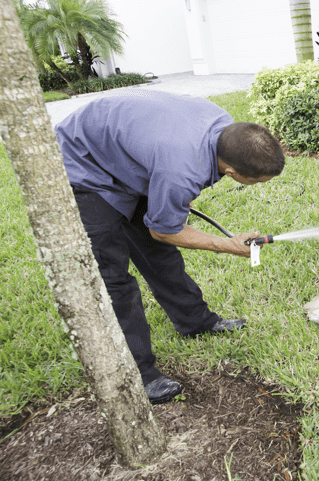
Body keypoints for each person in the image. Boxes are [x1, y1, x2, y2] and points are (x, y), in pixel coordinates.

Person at [54, 90, 285, 404]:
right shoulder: (180, 168)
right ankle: (140, 374)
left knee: (157, 255)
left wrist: (172, 196)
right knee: (113, 275)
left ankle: (196, 322)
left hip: (126, 151)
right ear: (232, 171)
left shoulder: (226, 131)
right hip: (86, 160)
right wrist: (227, 245)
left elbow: (173, 180)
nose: (258, 185)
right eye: (257, 181)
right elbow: (165, 230)